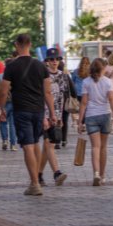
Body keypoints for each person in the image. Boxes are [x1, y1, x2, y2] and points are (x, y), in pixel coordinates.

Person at [0, 34, 57, 196]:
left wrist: (0, 108)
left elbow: (3, 91)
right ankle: (36, 178)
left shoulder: (11, 66)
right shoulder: (40, 66)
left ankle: (34, 184)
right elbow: (47, 92)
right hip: (38, 111)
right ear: (30, 44)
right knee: (35, 144)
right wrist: (52, 113)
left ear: (16, 45)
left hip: (21, 110)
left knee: (28, 146)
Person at [78, 58, 113, 186]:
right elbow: (111, 99)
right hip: (105, 115)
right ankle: (102, 175)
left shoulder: (86, 82)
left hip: (91, 116)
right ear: (103, 68)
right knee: (103, 147)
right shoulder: (108, 82)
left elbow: (84, 103)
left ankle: (95, 173)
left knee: (95, 147)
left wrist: (80, 121)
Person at [38, 48, 69, 185]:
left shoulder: (63, 75)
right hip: (44, 114)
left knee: (47, 146)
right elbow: (40, 96)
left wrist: (60, 116)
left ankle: (38, 174)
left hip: (55, 114)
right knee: (48, 144)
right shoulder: (43, 76)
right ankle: (57, 173)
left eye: (57, 59)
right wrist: (43, 116)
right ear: (47, 61)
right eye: (52, 59)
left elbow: (62, 96)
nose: (55, 61)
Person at [69, 57, 90, 146]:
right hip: (87, 92)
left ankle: (79, 121)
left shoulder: (76, 71)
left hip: (78, 92)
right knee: (85, 108)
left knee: (79, 107)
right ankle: (84, 123)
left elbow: (72, 82)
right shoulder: (90, 72)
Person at [0, 57, 18, 151]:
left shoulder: (0, 76)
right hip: (14, 101)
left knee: (3, 121)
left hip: (4, 101)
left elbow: (0, 91)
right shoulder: (17, 75)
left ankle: (5, 140)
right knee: (12, 124)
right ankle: (13, 144)